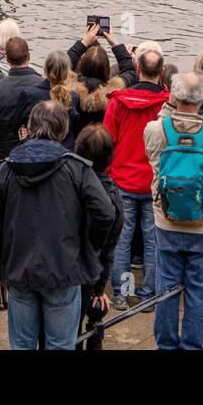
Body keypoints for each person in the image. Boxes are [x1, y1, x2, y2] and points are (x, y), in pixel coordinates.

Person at [0, 100, 115, 350]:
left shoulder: (7, 170)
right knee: (61, 345)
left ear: (30, 128)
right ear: (63, 130)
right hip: (63, 269)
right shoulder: (76, 169)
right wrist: (85, 247)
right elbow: (106, 213)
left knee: (22, 345)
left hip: (19, 270)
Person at [142, 71, 203, 350]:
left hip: (167, 220)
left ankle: (166, 345)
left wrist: (170, 104)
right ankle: (194, 345)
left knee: (167, 287)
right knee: (200, 289)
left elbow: (155, 135)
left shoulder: (155, 130)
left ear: (173, 96)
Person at [103, 47, 168, 307]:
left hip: (123, 179)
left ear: (137, 69)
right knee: (153, 238)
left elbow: (108, 140)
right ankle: (148, 293)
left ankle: (120, 292)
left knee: (123, 236)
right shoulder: (168, 103)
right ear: (162, 72)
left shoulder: (117, 102)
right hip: (153, 179)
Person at [74, 124, 123, 350]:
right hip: (89, 271)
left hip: (73, 270)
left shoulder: (71, 186)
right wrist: (99, 287)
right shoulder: (113, 196)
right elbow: (108, 249)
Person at [0, 37, 49, 165]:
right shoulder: (43, 85)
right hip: (36, 155)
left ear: (7, 60)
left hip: (6, 156)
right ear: (29, 56)